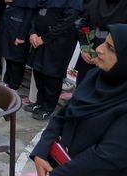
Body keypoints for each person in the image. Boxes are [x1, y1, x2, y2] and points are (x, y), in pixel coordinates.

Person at [31, 24, 127, 176]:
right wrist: (41, 151)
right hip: (58, 164)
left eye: (111, 49)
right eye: (104, 43)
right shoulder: (94, 78)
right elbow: (62, 115)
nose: (100, 49)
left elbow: (105, 158)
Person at [26, 0, 82, 120]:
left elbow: (65, 24)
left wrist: (44, 38)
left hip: (58, 43)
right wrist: (33, 32)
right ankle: (39, 101)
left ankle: (48, 107)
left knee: (51, 75)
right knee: (38, 71)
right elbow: (37, 13)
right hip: (39, 39)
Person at [75, 0, 127, 84]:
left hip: (111, 63)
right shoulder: (98, 0)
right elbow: (85, 24)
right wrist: (85, 48)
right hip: (88, 56)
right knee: (83, 85)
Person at [0, 0, 40, 90]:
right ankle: (7, 81)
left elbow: (29, 15)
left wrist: (22, 36)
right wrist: (6, 0)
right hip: (10, 25)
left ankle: (14, 85)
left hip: (19, 29)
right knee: (9, 57)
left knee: (16, 59)